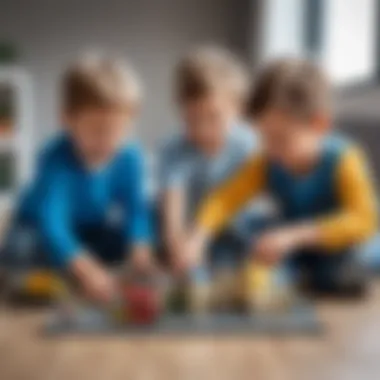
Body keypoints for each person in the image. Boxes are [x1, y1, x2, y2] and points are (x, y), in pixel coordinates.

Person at [183, 58, 378, 294]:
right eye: (265, 139)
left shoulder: (344, 159)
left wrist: (295, 236)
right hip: (293, 247)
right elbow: (225, 198)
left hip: (340, 247)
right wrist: (199, 235)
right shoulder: (267, 162)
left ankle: (306, 276)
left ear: (319, 125)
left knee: (355, 262)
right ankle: (294, 276)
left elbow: (364, 220)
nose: (271, 149)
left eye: (280, 139)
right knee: (241, 232)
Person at [1, 54, 153, 302]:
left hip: (89, 229)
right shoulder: (55, 158)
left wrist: (140, 245)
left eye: (119, 131)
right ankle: (57, 275)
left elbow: (136, 209)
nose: (108, 141)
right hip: (39, 228)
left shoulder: (130, 156)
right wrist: (85, 268)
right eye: (97, 130)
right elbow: (53, 223)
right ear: (67, 119)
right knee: (21, 249)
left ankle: (80, 271)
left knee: (126, 234)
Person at [157, 47, 258, 274]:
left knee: (243, 245)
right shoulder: (173, 149)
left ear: (238, 109)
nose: (203, 130)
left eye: (214, 117)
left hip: (233, 228)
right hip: (188, 227)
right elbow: (173, 208)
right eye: (192, 119)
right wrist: (177, 245)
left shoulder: (249, 144)